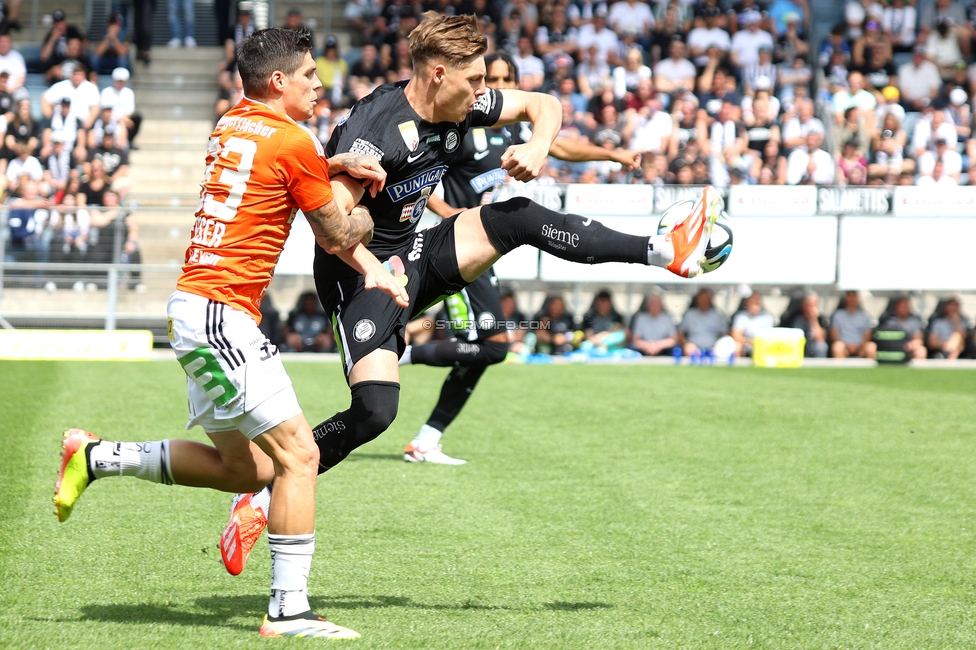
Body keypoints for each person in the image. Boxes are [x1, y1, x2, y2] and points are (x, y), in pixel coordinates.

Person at [223, 12, 723, 567]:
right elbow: (334, 226)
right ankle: (263, 501)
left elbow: (545, 105)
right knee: (374, 413)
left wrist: (538, 144)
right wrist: (370, 241)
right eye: (477, 82)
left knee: (513, 216)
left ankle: (661, 249)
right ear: (438, 74)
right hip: (360, 273)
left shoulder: (460, 102)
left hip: (414, 253)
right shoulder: (377, 129)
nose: (487, 94)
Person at [52, 27, 407, 639]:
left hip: (194, 311)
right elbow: (337, 233)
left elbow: (278, 167)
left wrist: (329, 162)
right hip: (222, 314)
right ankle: (287, 609)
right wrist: (399, 201)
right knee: (301, 456)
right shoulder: (293, 141)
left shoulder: (232, 121)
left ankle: (95, 456)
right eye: (308, 77)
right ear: (279, 83)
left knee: (245, 473)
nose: (319, 87)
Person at [397, 51, 642, 464]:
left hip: (480, 250)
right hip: (453, 243)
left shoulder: (508, 132)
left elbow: (560, 146)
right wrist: (452, 216)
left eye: (506, 78)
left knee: (480, 352)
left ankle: (425, 440)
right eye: (491, 78)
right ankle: (403, 355)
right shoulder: (462, 122)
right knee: (493, 348)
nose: (497, 85)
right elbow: (424, 176)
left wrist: (611, 156)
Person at [678, 288, 728, 357]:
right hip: (694, 346)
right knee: (689, 349)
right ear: (697, 300)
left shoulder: (718, 315)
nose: (704, 301)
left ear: (711, 300)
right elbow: (680, 333)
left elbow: (724, 333)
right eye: (702, 298)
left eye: (706, 298)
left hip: (714, 347)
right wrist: (685, 344)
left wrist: (718, 345)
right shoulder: (689, 314)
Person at [830, 290, 877, 358]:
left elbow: (867, 335)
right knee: (837, 346)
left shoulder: (865, 316)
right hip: (844, 347)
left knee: (871, 347)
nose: (851, 299)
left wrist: (859, 347)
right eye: (849, 296)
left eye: (854, 296)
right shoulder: (837, 315)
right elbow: (834, 335)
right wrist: (847, 346)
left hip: (860, 347)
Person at [880, 296, 927, 360]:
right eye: (902, 306)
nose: (904, 309)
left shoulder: (915, 322)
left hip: (909, 348)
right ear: (896, 307)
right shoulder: (889, 322)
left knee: (921, 351)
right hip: (890, 348)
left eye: (906, 306)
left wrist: (910, 345)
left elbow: (918, 340)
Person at [730, 291, 775, 358]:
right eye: (753, 303)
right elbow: (736, 335)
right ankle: (737, 365)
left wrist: (757, 342)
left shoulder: (768, 317)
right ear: (747, 304)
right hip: (745, 344)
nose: (755, 306)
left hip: (761, 344)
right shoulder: (741, 316)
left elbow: (768, 337)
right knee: (737, 345)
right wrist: (750, 341)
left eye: (757, 303)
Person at [790, 292, 828, 357]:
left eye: (814, 304)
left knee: (821, 347)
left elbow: (819, 339)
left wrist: (814, 320)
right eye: (809, 304)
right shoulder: (794, 317)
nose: (811, 307)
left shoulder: (821, 319)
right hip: (797, 346)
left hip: (812, 348)